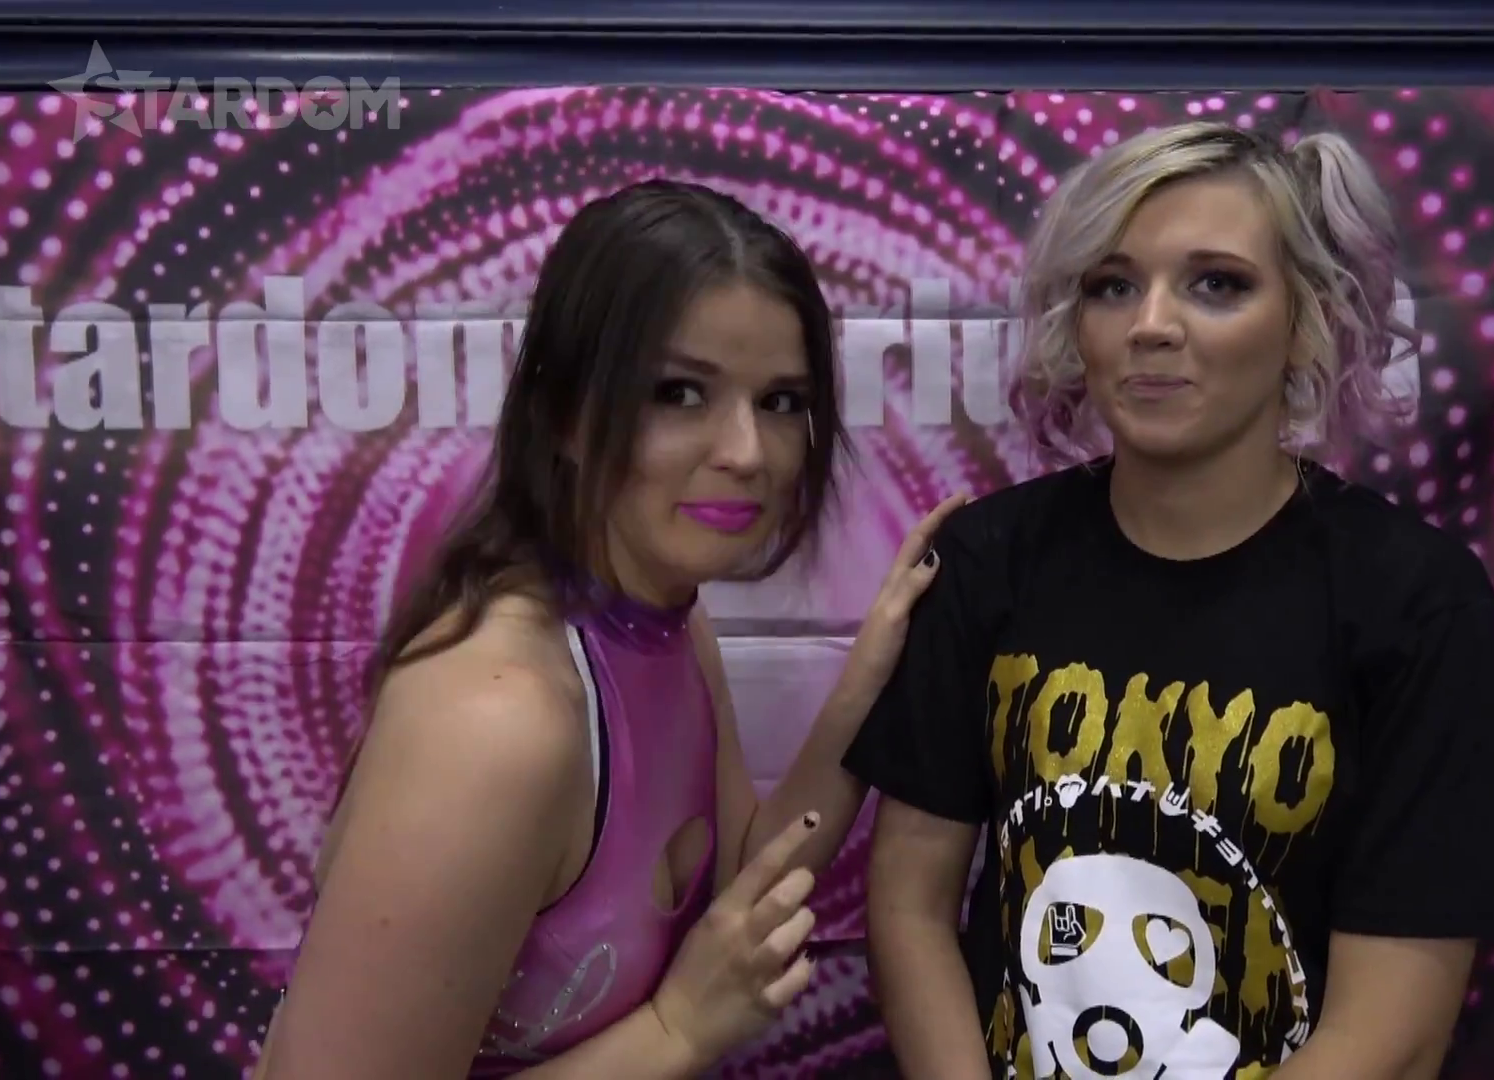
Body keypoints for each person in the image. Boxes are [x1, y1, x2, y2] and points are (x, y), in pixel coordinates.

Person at [845, 121, 1494, 1079]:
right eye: (1113, 285)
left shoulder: (1414, 600)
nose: (1151, 325)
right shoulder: (988, 560)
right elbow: (909, 906)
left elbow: (1396, 1033)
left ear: (1306, 318)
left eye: (1216, 283)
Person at [254, 178, 966, 1080]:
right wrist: (678, 1029)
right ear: (565, 413)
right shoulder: (498, 724)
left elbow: (746, 873)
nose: (747, 452)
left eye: (782, 402)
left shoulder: (664, 618)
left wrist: (874, 675)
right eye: (679, 392)